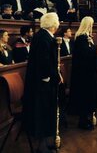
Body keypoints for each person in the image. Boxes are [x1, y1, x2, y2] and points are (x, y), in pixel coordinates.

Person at [22, 13, 61, 153]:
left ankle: (46, 142)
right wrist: (53, 77)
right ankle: (42, 147)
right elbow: (44, 63)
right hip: (42, 83)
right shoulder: (44, 38)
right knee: (42, 113)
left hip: (43, 81)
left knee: (46, 112)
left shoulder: (43, 36)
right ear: (53, 25)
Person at [68, 16, 97, 130]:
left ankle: (87, 118)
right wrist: (96, 51)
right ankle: (83, 120)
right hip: (84, 74)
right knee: (84, 96)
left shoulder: (87, 37)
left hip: (89, 72)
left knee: (89, 96)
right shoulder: (81, 38)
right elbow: (85, 54)